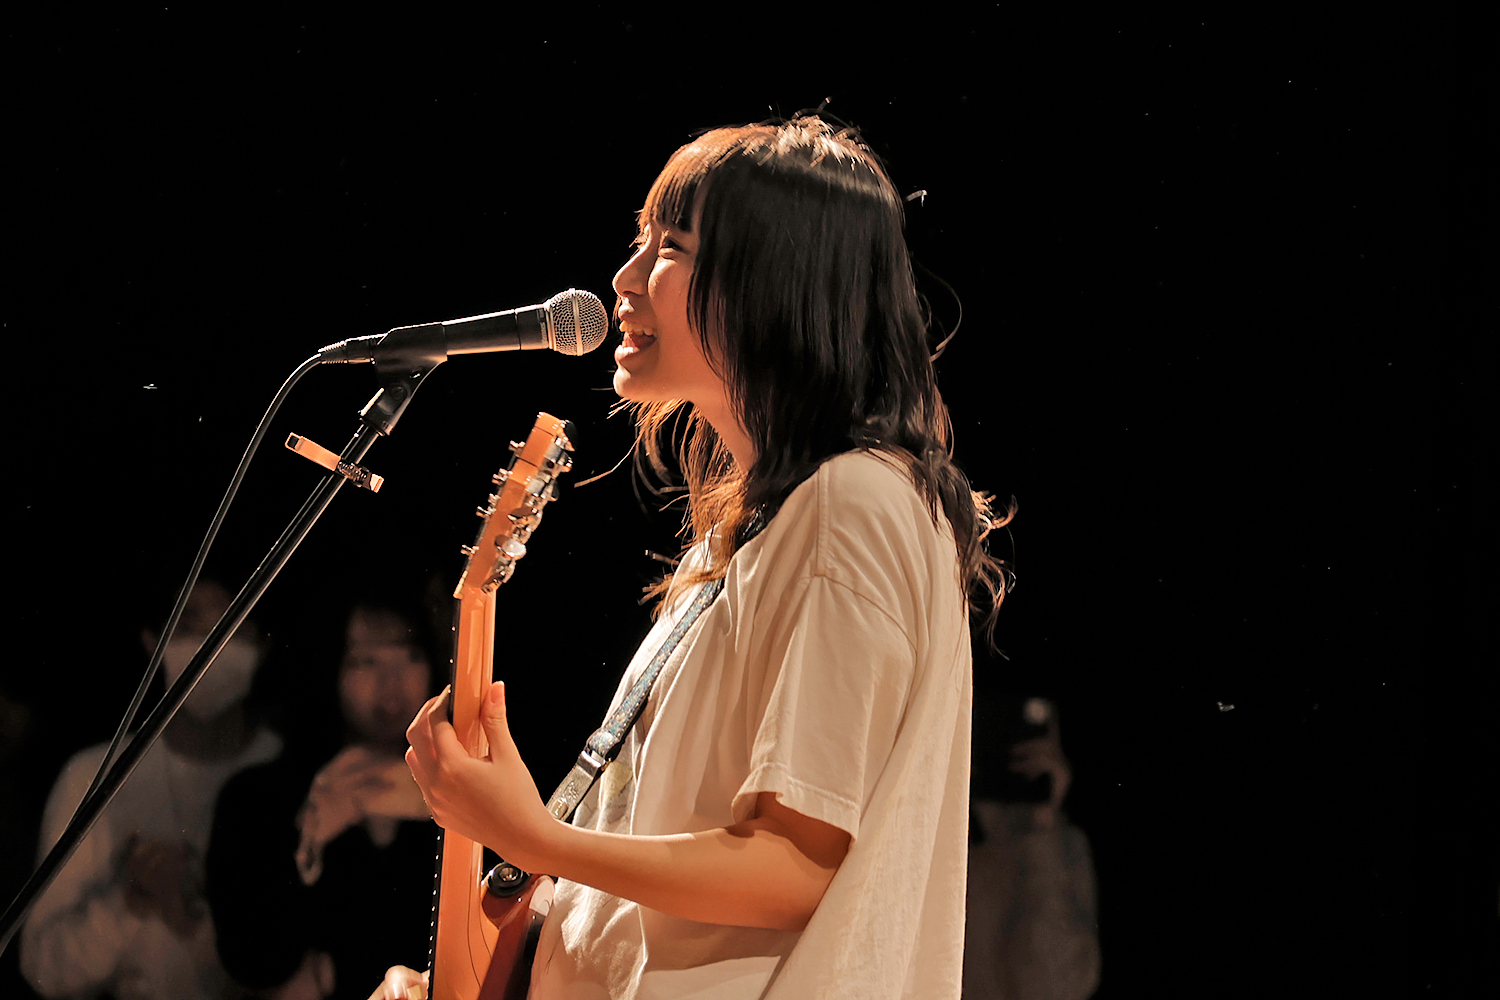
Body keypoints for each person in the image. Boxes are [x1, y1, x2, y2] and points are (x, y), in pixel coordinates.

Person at [376, 115, 1011, 1000]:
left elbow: (793, 866)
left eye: (671, 246)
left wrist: (534, 839)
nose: (625, 278)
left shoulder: (853, 504)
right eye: (641, 241)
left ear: (775, 282)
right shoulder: (754, 533)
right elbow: (660, 881)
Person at [21, 579, 281, 1000]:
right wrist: (128, 903)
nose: (213, 645)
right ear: (152, 641)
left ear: (263, 646)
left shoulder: (288, 773)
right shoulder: (95, 776)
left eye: (235, 625)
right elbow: (42, 967)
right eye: (189, 626)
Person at [207, 602, 436, 1000]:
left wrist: (334, 972)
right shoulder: (259, 796)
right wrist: (307, 846)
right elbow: (254, 961)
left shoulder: (456, 797)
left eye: (411, 656)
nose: (392, 680)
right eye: (365, 661)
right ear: (329, 668)